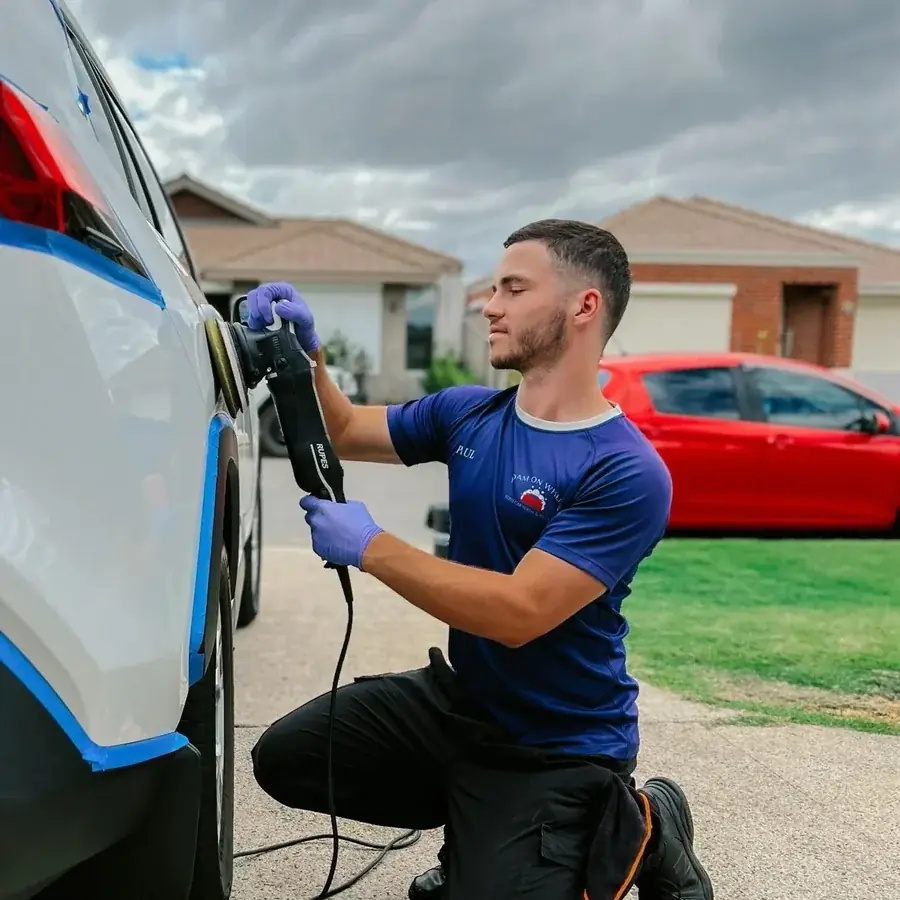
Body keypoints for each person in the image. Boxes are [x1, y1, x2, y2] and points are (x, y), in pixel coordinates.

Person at [248, 219, 714, 900]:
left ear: (584, 306)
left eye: (514, 289)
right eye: (493, 289)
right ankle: (478, 841)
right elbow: (345, 430)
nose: (489, 306)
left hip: (558, 745)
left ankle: (643, 822)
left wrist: (372, 547)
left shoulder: (625, 470)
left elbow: (520, 613)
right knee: (286, 760)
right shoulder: (470, 415)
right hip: (461, 704)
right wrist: (306, 352)